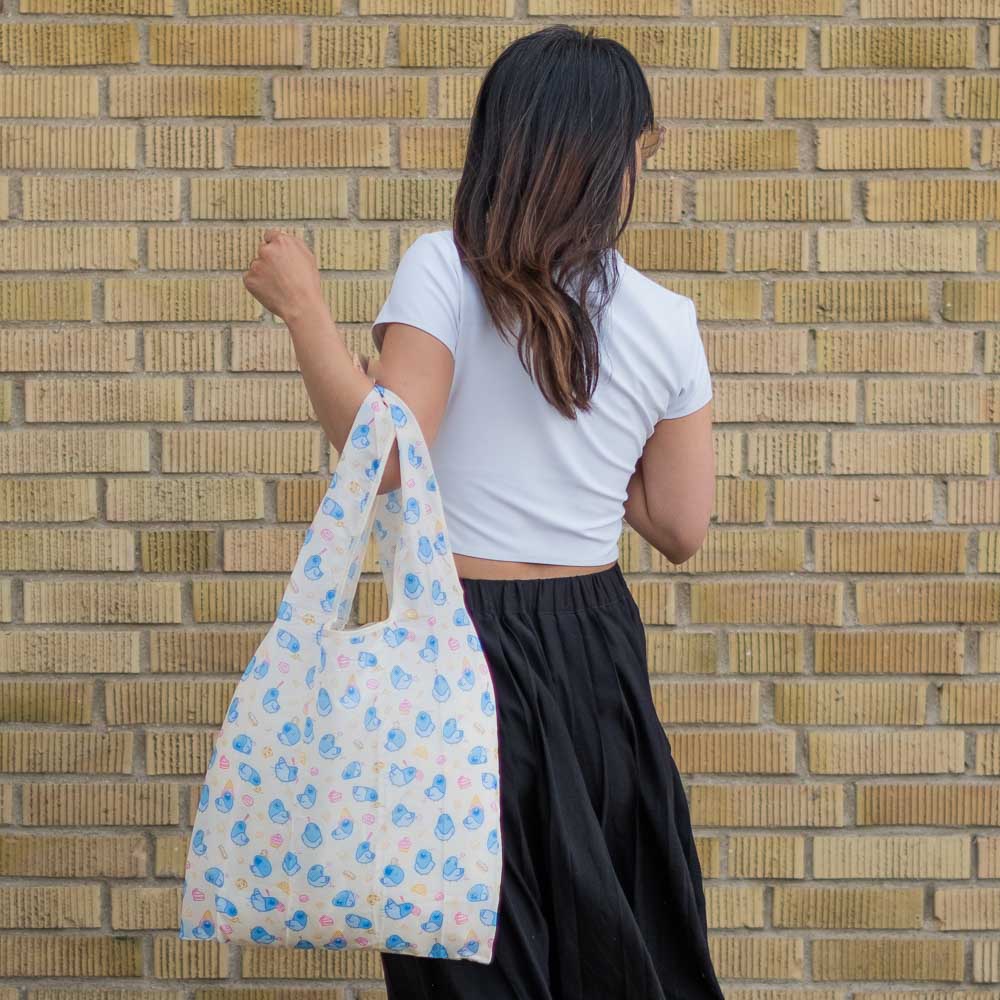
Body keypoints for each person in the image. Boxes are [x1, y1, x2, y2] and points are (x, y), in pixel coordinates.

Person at [241, 23, 723, 1000]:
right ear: (598, 156)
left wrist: (305, 313)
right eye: (640, 152)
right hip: (597, 657)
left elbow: (383, 458)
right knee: (611, 941)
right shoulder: (666, 318)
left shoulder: (443, 271)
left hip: (454, 647)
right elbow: (680, 524)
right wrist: (593, 440)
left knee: (465, 950)